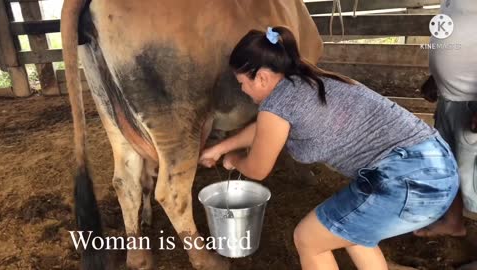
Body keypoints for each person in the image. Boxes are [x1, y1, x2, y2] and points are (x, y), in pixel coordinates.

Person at [199, 26, 460, 270]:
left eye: (242, 83)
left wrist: (234, 159)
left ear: (263, 77)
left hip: (408, 183)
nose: (243, 90)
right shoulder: (306, 80)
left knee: (308, 239)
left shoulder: (276, 104)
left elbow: (257, 169)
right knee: (351, 230)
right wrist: (221, 147)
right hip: (439, 169)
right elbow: (264, 130)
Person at [413, 0, 477, 240]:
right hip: (450, 100)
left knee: (475, 176)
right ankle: (453, 222)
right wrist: (437, 76)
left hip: (472, 103)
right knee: (450, 167)